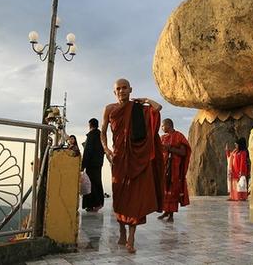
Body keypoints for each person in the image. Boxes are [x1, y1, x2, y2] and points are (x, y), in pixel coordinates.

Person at [100, 78, 164, 253]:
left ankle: (131, 239)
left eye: (124, 88)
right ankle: (121, 232)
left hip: (136, 157)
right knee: (120, 197)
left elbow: (157, 108)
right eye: (118, 89)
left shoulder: (137, 109)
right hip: (118, 158)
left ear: (130, 90)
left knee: (134, 199)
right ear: (114, 92)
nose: (121, 91)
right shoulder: (109, 109)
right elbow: (103, 132)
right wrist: (107, 150)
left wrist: (144, 100)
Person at [157, 118, 191, 223]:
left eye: (163, 126)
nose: (161, 128)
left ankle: (171, 215)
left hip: (174, 170)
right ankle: (166, 211)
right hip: (164, 168)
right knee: (165, 191)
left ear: (168, 125)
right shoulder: (162, 138)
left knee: (173, 191)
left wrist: (170, 148)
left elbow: (183, 152)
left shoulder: (178, 136)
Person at [82, 118, 105, 212]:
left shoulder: (91, 136)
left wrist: (83, 165)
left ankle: (93, 204)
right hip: (98, 163)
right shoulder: (100, 135)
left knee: (89, 184)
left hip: (91, 164)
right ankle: (97, 203)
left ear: (90, 125)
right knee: (97, 182)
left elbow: (88, 151)